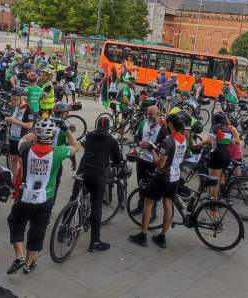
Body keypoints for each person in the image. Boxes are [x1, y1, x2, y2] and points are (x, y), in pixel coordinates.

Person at [6, 119, 79, 274]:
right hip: (46, 199)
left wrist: (35, 130)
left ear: (37, 135)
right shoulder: (58, 152)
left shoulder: (25, 148)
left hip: (25, 196)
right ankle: (28, 264)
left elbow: (24, 139)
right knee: (37, 230)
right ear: (53, 135)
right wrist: (66, 129)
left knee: (15, 222)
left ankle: (19, 255)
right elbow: (75, 146)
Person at [129, 113, 186, 248]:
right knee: (168, 205)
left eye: (167, 122)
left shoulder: (168, 141)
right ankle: (162, 237)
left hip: (162, 176)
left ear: (171, 125)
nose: (165, 124)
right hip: (175, 176)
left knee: (148, 202)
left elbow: (159, 164)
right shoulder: (183, 139)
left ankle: (143, 235)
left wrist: (152, 149)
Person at [72, 116, 122, 252]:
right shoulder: (112, 141)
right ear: (108, 128)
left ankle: (63, 229)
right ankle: (94, 242)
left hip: (82, 171)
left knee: (73, 199)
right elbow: (117, 160)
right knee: (96, 207)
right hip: (96, 175)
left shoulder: (89, 136)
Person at [131, 106, 168, 216]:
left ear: (158, 113)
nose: (149, 116)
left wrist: (153, 147)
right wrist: (139, 143)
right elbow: (136, 137)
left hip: (153, 162)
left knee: (152, 188)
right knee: (141, 184)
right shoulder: (143, 123)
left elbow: (164, 147)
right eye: (148, 114)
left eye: (152, 114)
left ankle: (153, 211)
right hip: (141, 159)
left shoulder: (163, 128)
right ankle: (140, 206)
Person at [193, 112, 239, 200]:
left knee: (213, 181)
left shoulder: (216, 127)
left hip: (217, 155)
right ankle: (220, 195)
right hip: (227, 155)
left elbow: (209, 140)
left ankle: (213, 203)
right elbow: (233, 142)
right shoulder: (229, 129)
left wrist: (199, 145)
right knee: (221, 177)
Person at [6, 88, 35, 178]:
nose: (13, 101)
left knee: (20, 161)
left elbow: (29, 125)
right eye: (12, 98)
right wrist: (9, 120)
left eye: (15, 99)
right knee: (12, 159)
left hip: (22, 139)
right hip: (12, 137)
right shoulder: (16, 106)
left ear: (22, 98)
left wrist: (14, 121)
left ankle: (21, 181)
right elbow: (14, 118)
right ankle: (13, 179)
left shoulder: (28, 109)